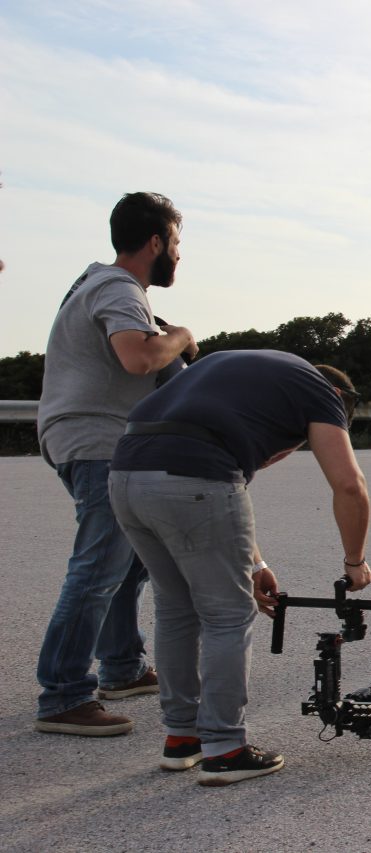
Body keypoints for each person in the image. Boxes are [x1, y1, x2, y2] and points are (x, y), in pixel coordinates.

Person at [108, 349, 371, 787]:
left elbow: (231, 486)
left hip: (126, 475)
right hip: (194, 476)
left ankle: (182, 739)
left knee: (176, 609)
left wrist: (256, 563)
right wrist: (355, 562)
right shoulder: (321, 391)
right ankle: (225, 747)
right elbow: (349, 484)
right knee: (227, 616)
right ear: (339, 396)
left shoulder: (244, 372)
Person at [35, 192, 198, 737]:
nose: (178, 253)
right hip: (96, 439)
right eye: (176, 242)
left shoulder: (93, 283)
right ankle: (62, 694)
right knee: (99, 566)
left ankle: (123, 667)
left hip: (86, 436)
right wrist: (181, 338)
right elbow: (137, 356)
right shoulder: (119, 287)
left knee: (129, 562)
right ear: (155, 242)